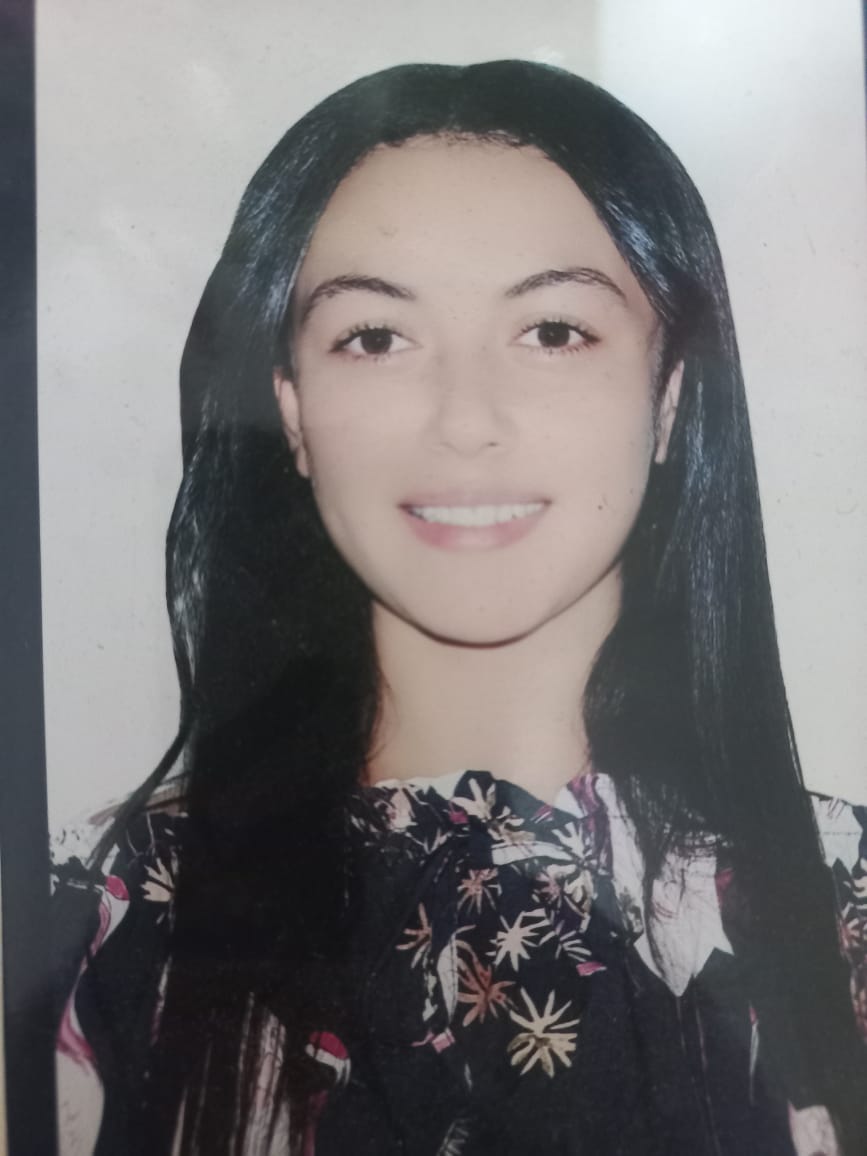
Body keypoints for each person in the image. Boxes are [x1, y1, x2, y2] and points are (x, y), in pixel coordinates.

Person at [51, 60, 867, 1156]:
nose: (465, 420)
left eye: (553, 331)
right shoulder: (82, 922)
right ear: (289, 407)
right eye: (375, 337)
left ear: (670, 395)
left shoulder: (841, 912)